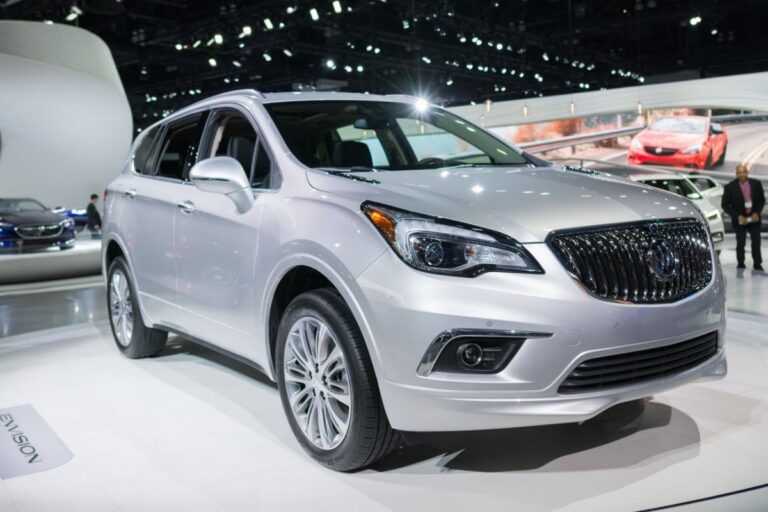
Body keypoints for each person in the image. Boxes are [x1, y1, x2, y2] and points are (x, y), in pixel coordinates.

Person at [721, 164, 764, 271]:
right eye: (739, 172)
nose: (742, 174)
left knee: (756, 242)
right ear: (736, 173)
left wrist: (757, 213)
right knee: (741, 242)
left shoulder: (756, 184)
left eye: (743, 172)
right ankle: (741, 263)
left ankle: (757, 264)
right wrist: (738, 216)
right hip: (739, 220)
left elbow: (762, 200)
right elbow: (725, 205)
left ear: (747, 172)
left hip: (754, 218)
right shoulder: (729, 187)